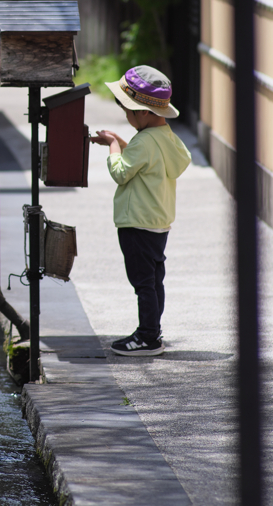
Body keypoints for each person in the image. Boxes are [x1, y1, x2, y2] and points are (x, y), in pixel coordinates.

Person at [89, 66, 192, 356]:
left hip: (136, 223)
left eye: (128, 110)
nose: (126, 116)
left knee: (142, 284)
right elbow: (150, 160)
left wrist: (112, 145)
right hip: (158, 223)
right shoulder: (166, 137)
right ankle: (152, 332)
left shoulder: (144, 141)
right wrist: (122, 143)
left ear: (143, 112)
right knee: (154, 280)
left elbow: (121, 172)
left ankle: (147, 337)